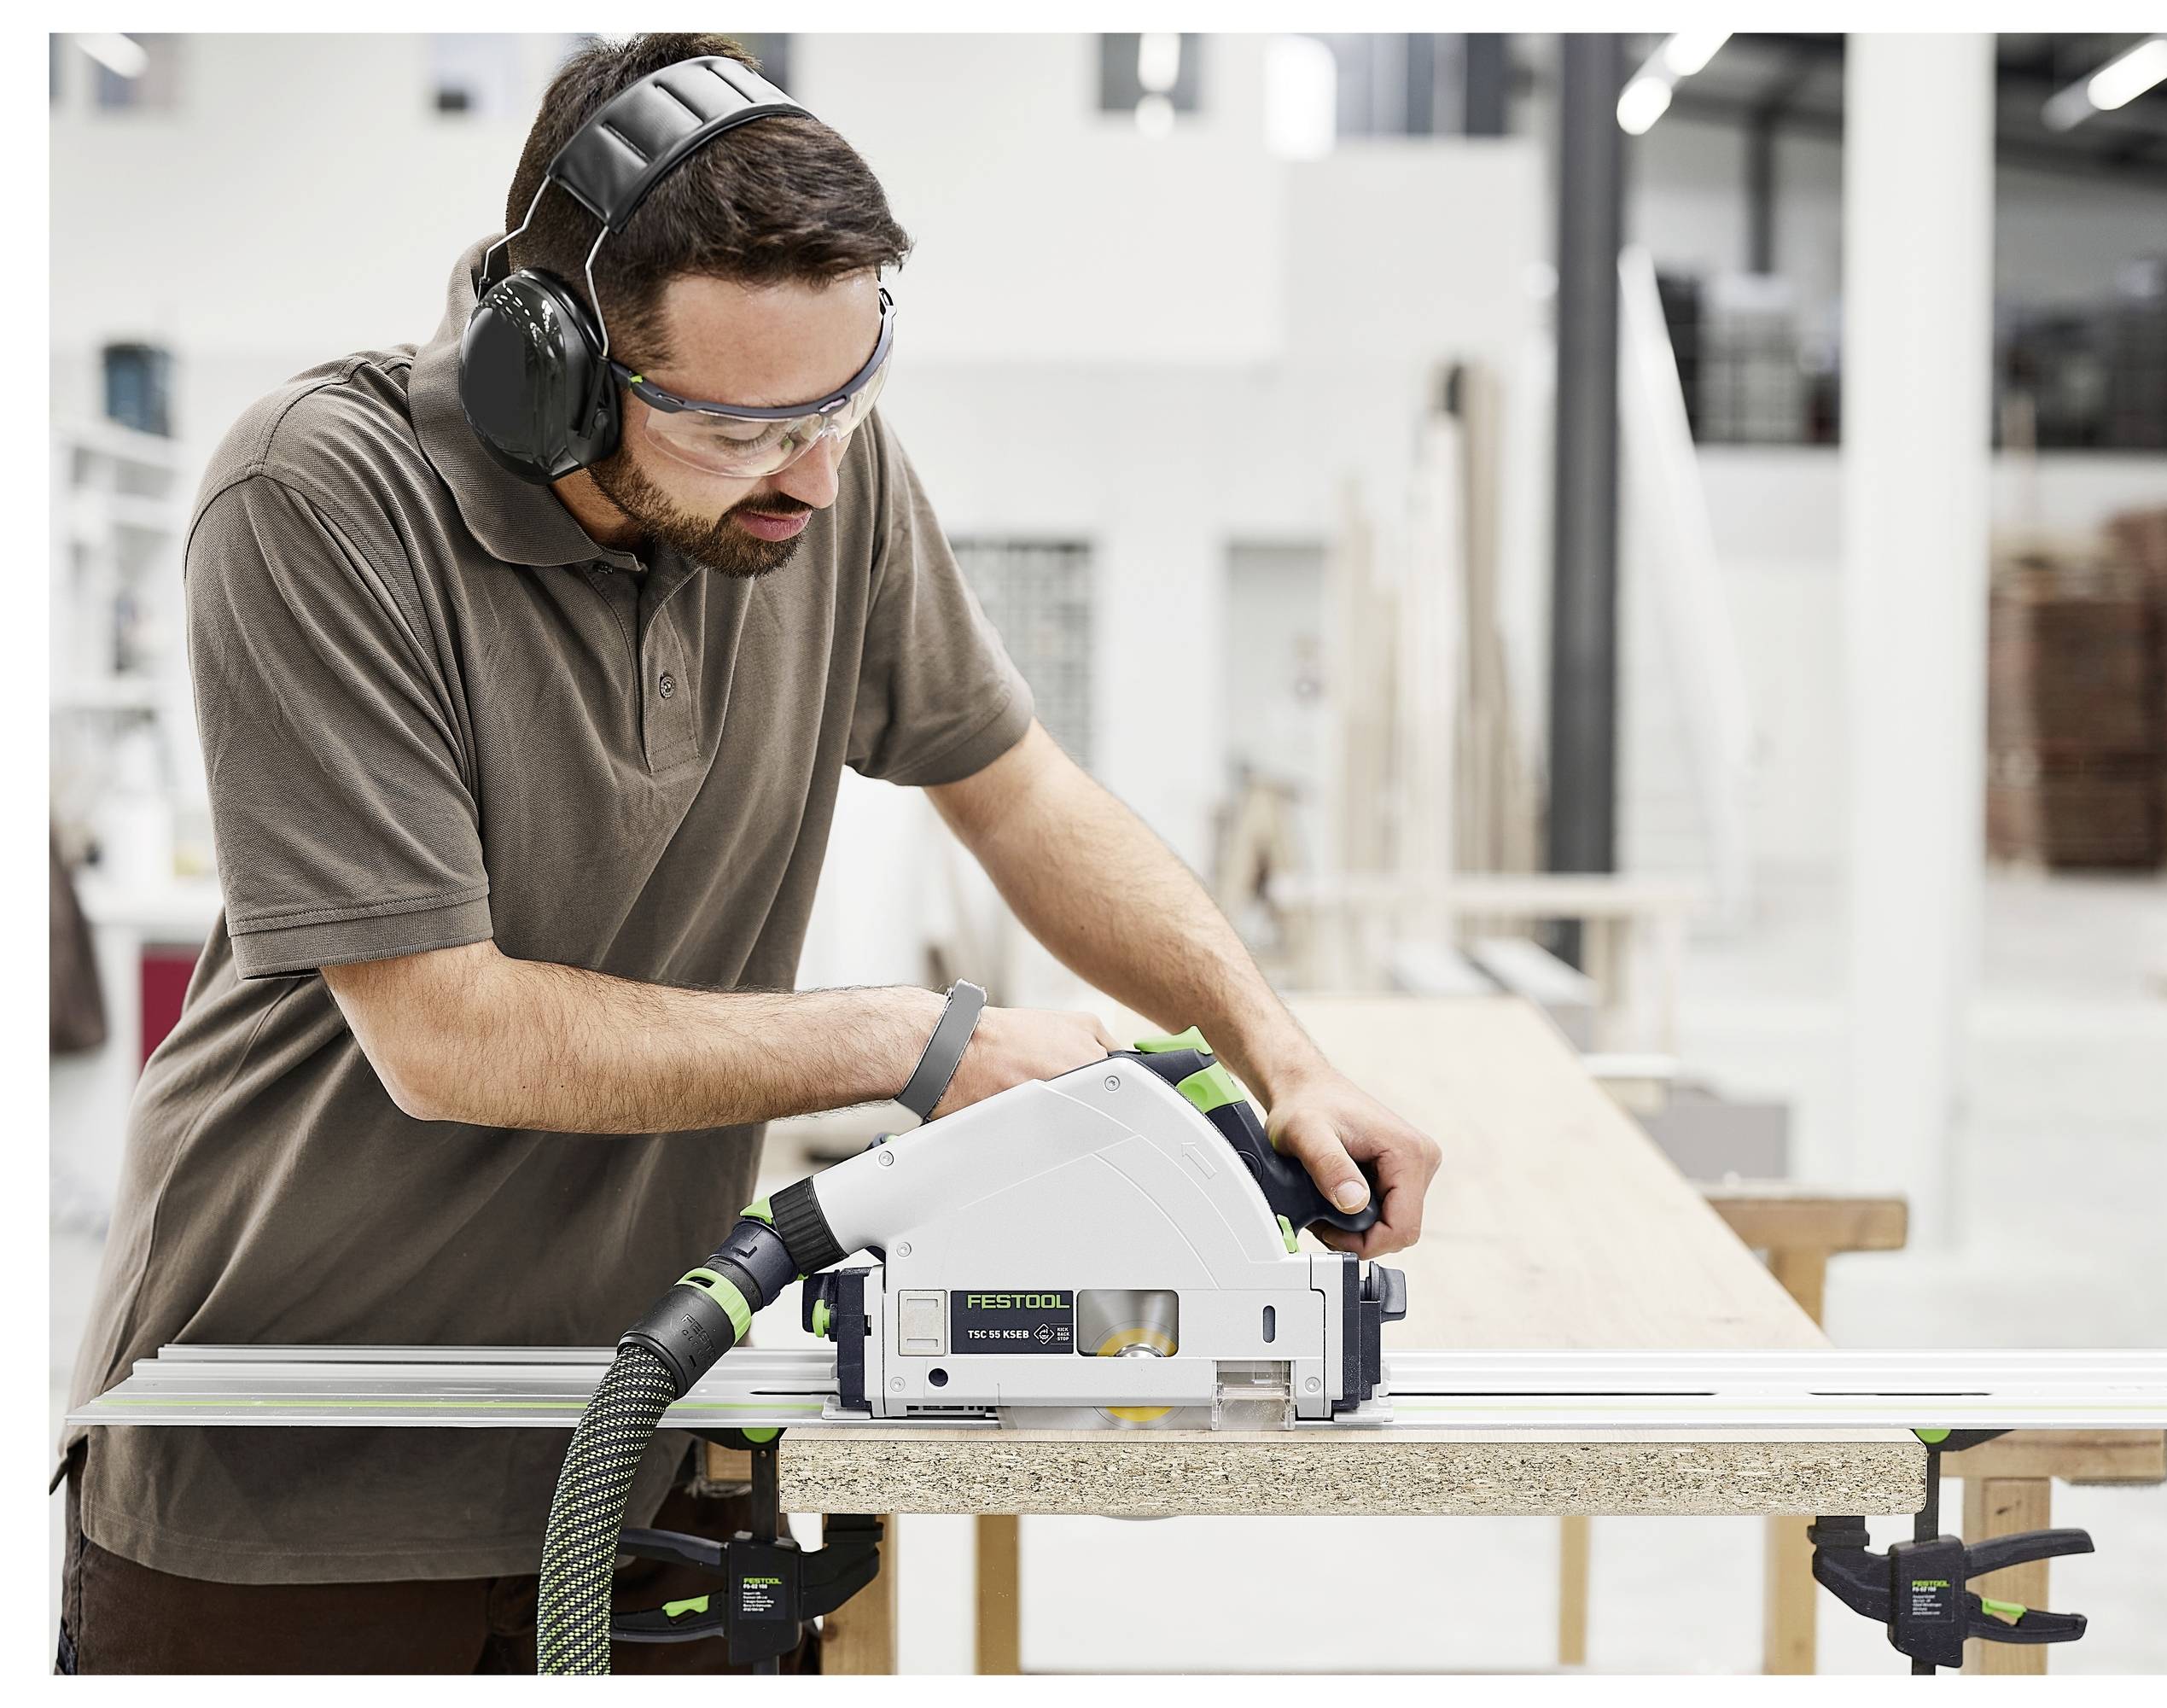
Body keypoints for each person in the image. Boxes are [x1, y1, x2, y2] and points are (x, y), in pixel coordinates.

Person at [59, 32, 1441, 1675]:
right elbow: (442, 1028)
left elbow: (1017, 790)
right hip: (287, 1476)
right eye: (743, 428)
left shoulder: (823, 472)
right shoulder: (321, 498)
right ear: (550, 370)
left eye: (853, 395)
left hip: (647, 1428)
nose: (822, 469)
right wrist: (920, 1043)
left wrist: (1274, 1047)